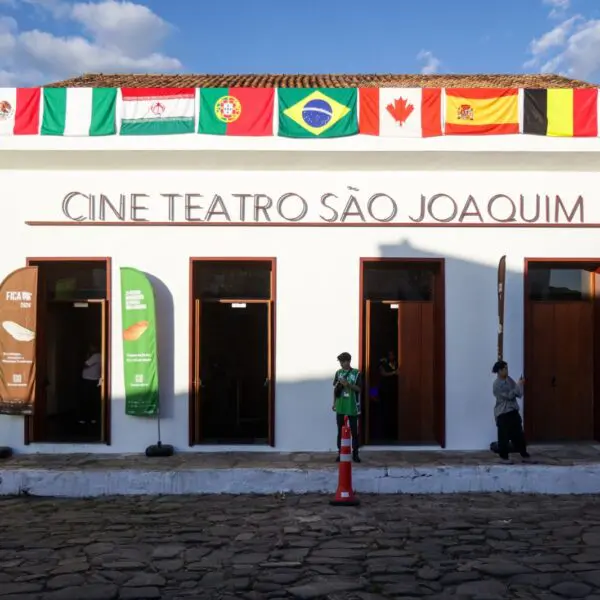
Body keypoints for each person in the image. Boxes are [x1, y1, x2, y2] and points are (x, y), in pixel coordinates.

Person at [492, 360, 530, 463]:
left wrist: (520, 385)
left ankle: (524, 454)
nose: (507, 371)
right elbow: (509, 395)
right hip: (503, 413)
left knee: (518, 434)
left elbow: (518, 393)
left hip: (513, 410)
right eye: (504, 369)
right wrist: (518, 385)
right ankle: (504, 457)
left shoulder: (509, 380)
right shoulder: (497, 384)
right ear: (499, 371)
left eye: (507, 368)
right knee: (503, 436)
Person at [332, 352, 362, 463]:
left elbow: (359, 389)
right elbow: (335, 389)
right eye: (340, 362)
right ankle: (340, 453)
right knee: (340, 431)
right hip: (340, 406)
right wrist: (334, 403)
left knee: (354, 432)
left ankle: (355, 454)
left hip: (352, 406)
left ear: (348, 361)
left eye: (342, 362)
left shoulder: (356, 373)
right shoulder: (338, 373)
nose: (340, 364)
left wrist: (348, 384)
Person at [377, 350, 399, 441]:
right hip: (385, 391)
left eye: (392, 354)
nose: (391, 356)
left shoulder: (397, 363)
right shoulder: (383, 364)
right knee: (386, 412)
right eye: (389, 355)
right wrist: (394, 373)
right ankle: (385, 434)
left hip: (395, 391)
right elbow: (382, 373)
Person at [80, 344, 102, 426]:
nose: (90, 348)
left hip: (89, 380)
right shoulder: (98, 356)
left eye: (92, 346)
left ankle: (86, 418)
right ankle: (92, 418)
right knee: (92, 400)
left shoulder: (96, 356)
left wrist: (87, 356)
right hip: (93, 380)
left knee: (87, 400)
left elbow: (85, 364)